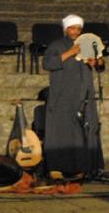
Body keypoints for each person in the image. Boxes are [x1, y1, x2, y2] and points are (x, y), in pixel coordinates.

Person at [42, 14, 104, 180]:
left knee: (83, 131)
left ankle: (82, 167)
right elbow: (48, 64)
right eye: (72, 28)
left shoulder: (87, 44)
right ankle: (56, 167)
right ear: (66, 29)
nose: (76, 31)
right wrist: (71, 52)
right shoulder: (56, 45)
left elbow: (100, 65)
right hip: (63, 94)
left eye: (78, 28)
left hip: (84, 93)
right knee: (60, 131)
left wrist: (97, 62)